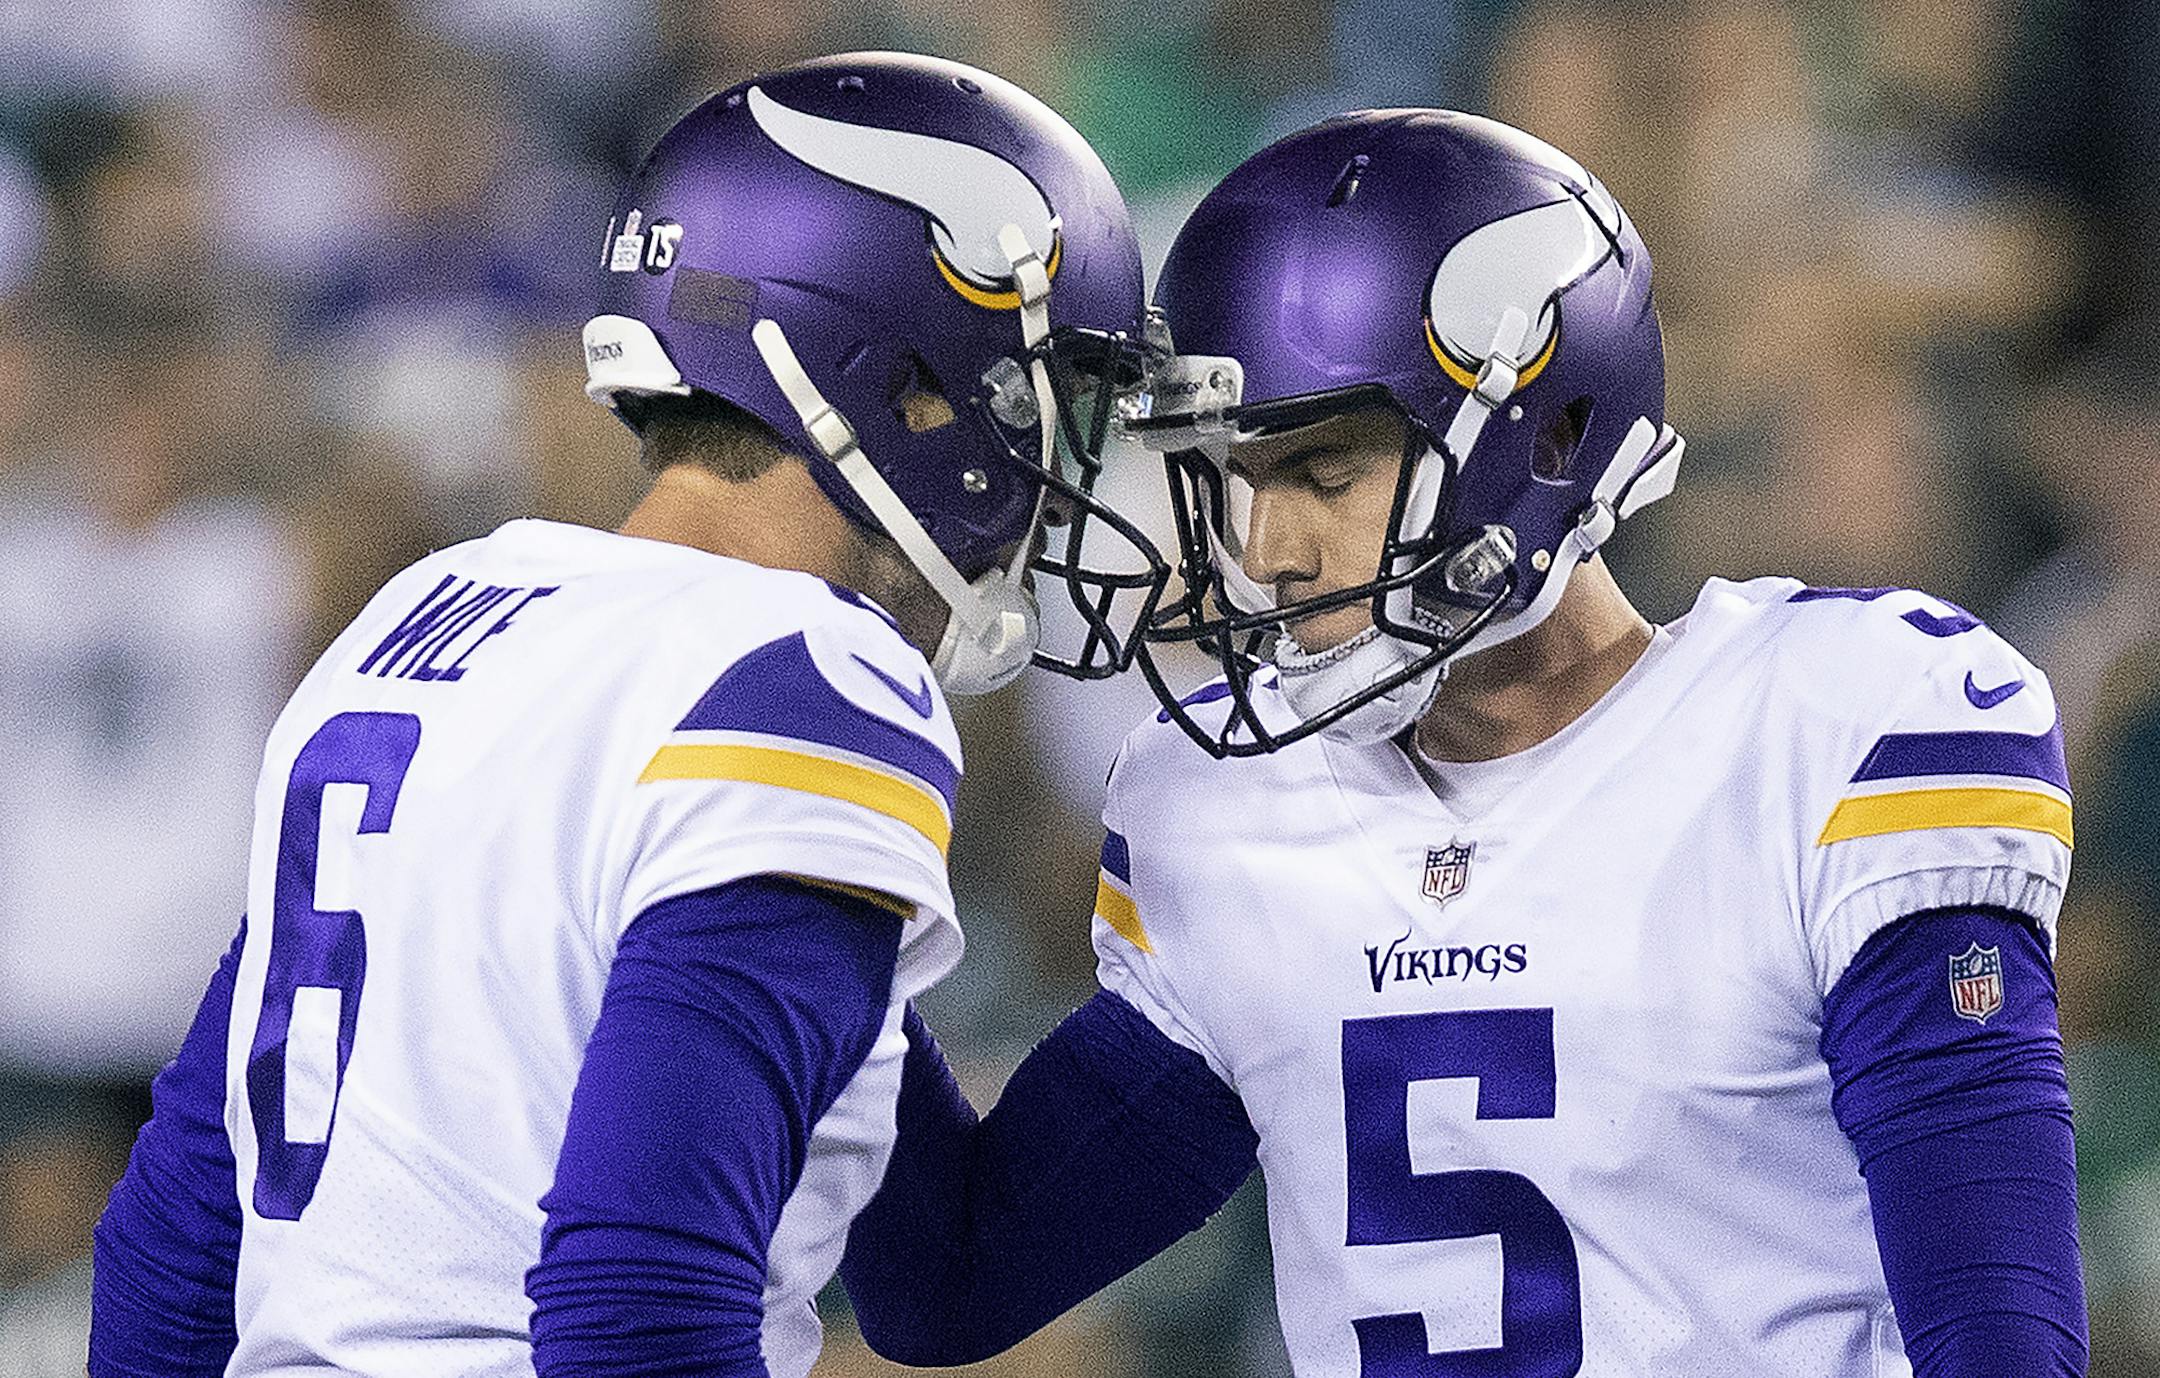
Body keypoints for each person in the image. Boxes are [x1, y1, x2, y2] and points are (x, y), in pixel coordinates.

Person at [839, 111, 2087, 1375]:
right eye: (1238, 479)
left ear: (1543, 442)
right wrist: (824, 882)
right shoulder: (1227, 805)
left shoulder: (1826, 732)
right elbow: (952, 1276)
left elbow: (1999, 1336)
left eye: (1321, 476)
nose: (1268, 551)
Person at [88, 51, 1162, 1378]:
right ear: (904, 391)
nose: (1049, 473)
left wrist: (1223, 1006)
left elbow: (179, 1238)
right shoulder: (808, 675)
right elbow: (639, 1302)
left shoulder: (425, 612)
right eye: (1028, 401)